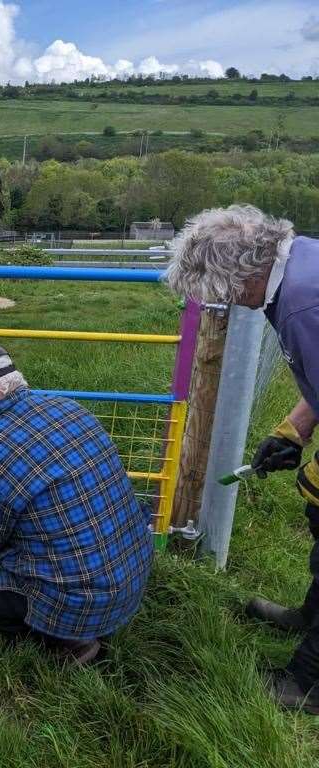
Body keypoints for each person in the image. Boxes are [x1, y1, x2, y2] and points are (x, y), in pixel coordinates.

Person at [166, 204, 319, 713]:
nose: (222, 302)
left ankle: (308, 682)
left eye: (217, 290)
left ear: (240, 274)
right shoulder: (300, 267)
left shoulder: (301, 305)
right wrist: (296, 428)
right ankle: (310, 616)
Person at [0, 343, 154, 664]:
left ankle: (64, 640)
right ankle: (77, 628)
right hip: (130, 577)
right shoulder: (73, 409)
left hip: (79, 603)